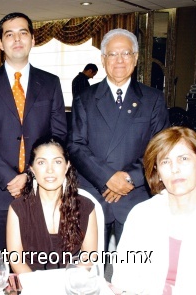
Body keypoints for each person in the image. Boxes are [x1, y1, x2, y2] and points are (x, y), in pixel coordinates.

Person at [0, 12, 67, 250]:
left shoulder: (50, 83)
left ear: (33, 39)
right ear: (0, 43)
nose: (17, 39)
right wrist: (10, 178)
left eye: (23, 33)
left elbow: (59, 135)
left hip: (42, 189)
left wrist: (30, 175)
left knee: (38, 262)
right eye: (9, 34)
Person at [68, 28, 170, 250]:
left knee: (133, 270)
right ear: (103, 60)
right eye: (113, 54)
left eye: (126, 53)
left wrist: (129, 179)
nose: (120, 60)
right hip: (94, 192)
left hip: (135, 195)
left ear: (135, 58)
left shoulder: (153, 99)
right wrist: (107, 178)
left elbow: (160, 149)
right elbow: (75, 146)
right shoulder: (84, 98)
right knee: (89, 271)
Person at [111, 126, 196, 294]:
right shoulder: (141, 216)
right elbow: (123, 280)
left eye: (183, 159)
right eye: (165, 161)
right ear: (158, 173)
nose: (175, 169)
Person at [6, 136, 97, 273]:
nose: (50, 170)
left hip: (71, 284)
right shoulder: (18, 208)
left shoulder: (85, 207)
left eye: (57, 162)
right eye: (42, 163)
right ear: (32, 169)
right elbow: (16, 260)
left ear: (67, 166)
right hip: (32, 284)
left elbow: (88, 257)